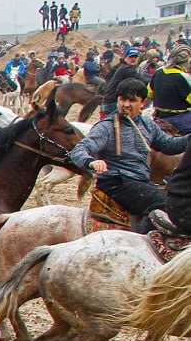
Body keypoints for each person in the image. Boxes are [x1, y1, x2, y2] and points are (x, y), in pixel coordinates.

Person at [69, 79, 190, 233]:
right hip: (116, 182)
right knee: (166, 205)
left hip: (140, 181)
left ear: (143, 103)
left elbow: (168, 145)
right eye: (122, 99)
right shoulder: (106, 126)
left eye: (132, 100)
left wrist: (188, 139)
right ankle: (140, 240)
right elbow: (79, 150)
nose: (126, 105)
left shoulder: (148, 125)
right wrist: (91, 162)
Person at [149, 45, 191, 134]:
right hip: (180, 118)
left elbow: (149, 93)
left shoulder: (158, 72)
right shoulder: (184, 77)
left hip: (158, 115)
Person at [101, 47, 144, 117]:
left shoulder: (122, 66)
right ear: (125, 58)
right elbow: (142, 80)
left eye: (135, 57)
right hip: (113, 104)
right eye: (131, 57)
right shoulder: (127, 69)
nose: (133, 59)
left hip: (109, 102)